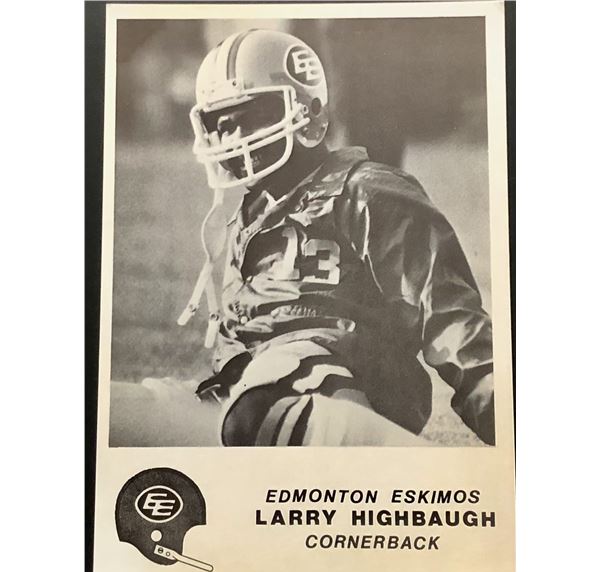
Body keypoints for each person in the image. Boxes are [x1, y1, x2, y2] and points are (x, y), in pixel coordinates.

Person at [112, 28, 494, 447]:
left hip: (336, 387)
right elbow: (238, 344)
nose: (233, 139)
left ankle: (419, 467)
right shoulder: (251, 216)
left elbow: (454, 327)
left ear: (305, 111)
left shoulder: (367, 191)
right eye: (222, 125)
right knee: (112, 409)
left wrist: (507, 419)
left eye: (248, 118)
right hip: (251, 398)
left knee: (260, 401)